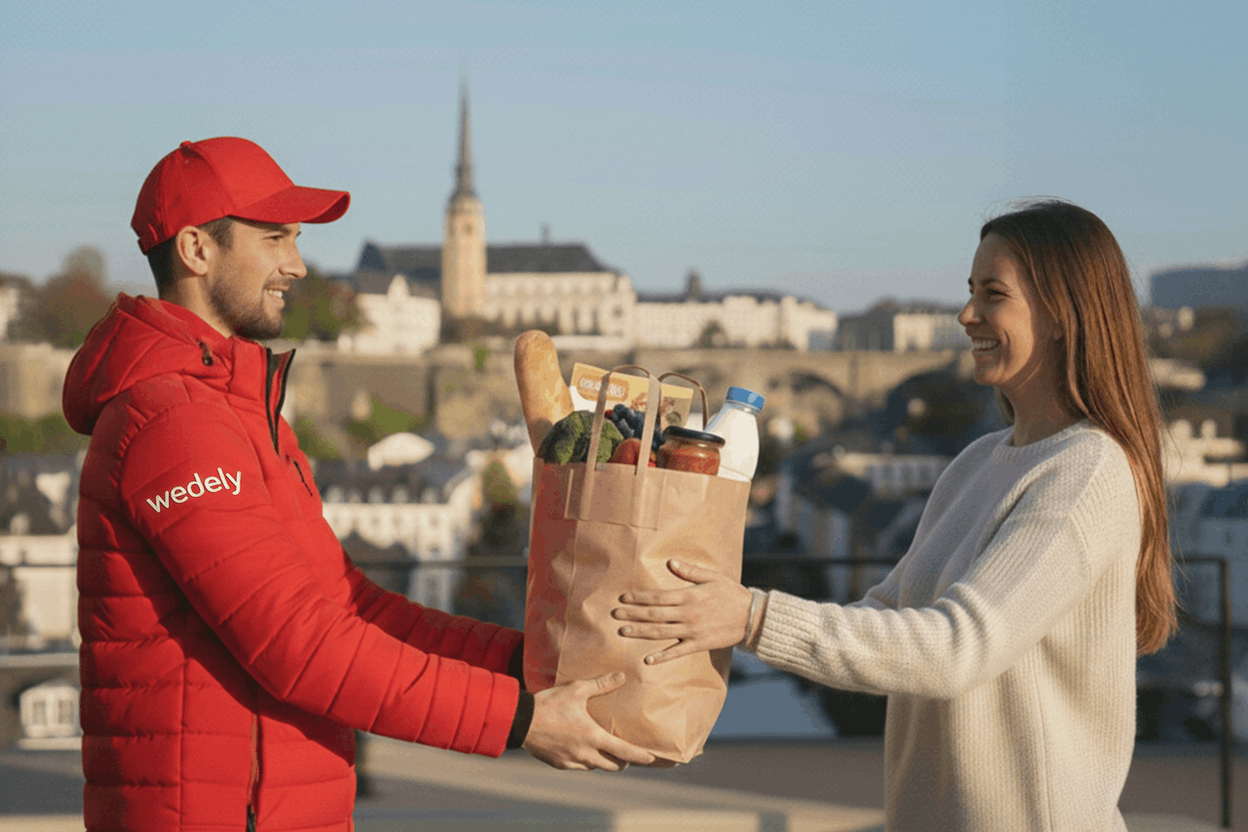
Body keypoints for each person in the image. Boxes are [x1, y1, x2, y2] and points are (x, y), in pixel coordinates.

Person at [63, 136, 653, 832]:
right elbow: (299, 644)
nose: (297, 263)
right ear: (196, 250)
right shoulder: (173, 423)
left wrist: (528, 666)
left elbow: (350, 607)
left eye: (296, 239)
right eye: (275, 238)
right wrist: (520, 718)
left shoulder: (236, 410)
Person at [614, 200, 1174, 831]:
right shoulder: (977, 462)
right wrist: (720, 606)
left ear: (1064, 315)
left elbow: (958, 647)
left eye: (993, 295)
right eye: (970, 291)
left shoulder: (1087, 469)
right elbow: (889, 616)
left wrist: (751, 617)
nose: (966, 314)